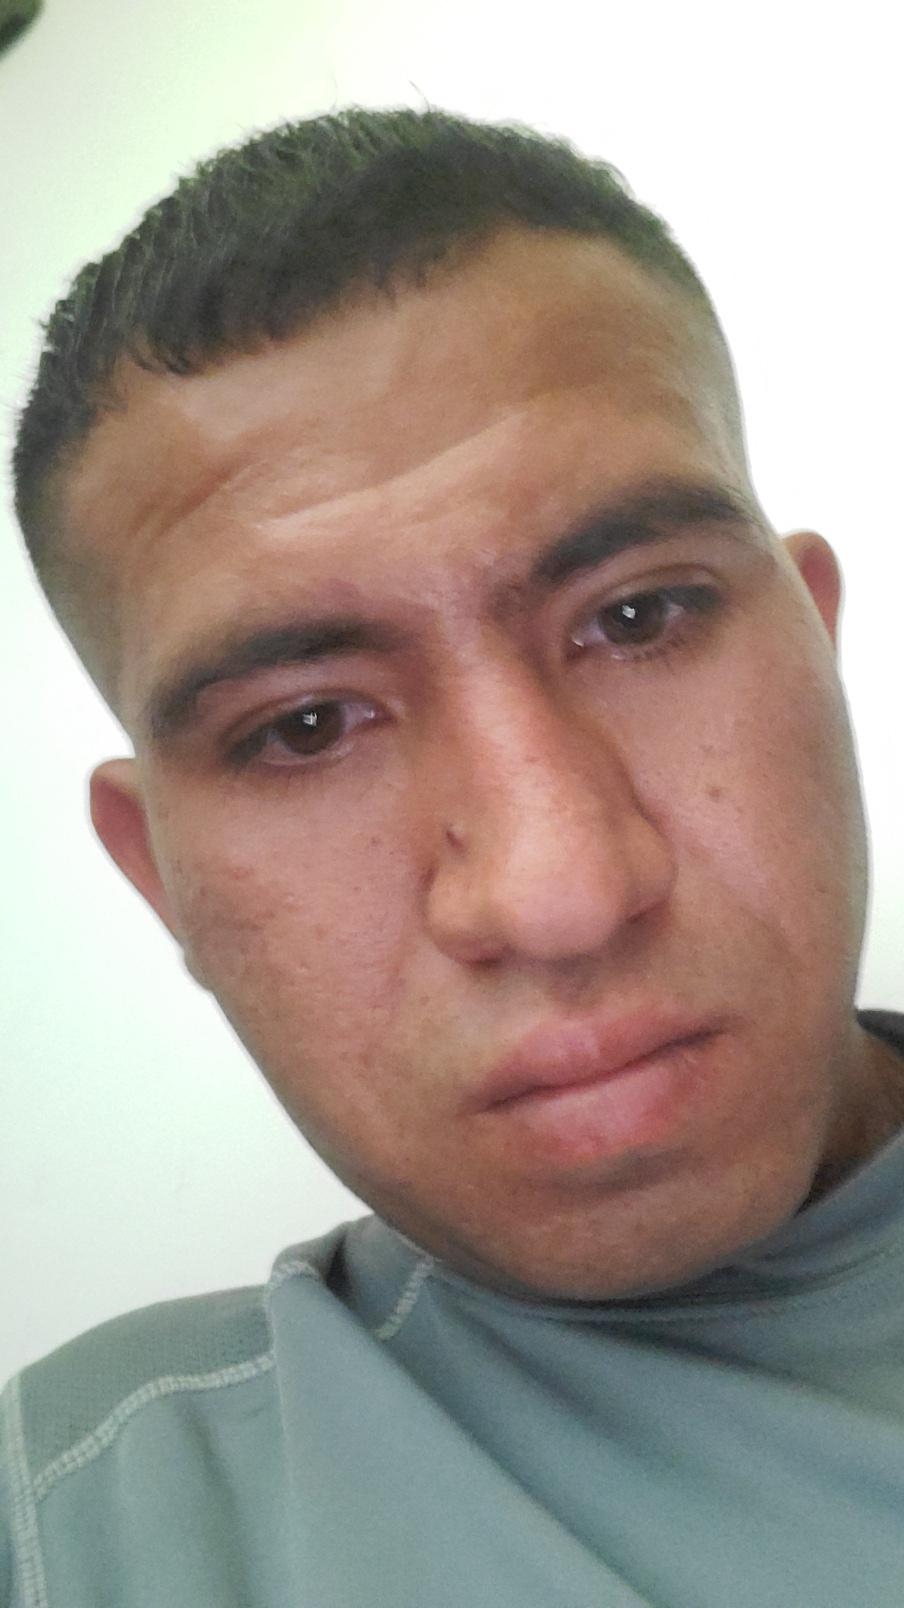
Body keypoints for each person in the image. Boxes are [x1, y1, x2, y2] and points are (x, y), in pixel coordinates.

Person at [2, 104, 903, 1607]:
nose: (563, 893)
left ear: (815, 642)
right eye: (304, 727)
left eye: (638, 617)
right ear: (160, 878)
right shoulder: (78, 1527)